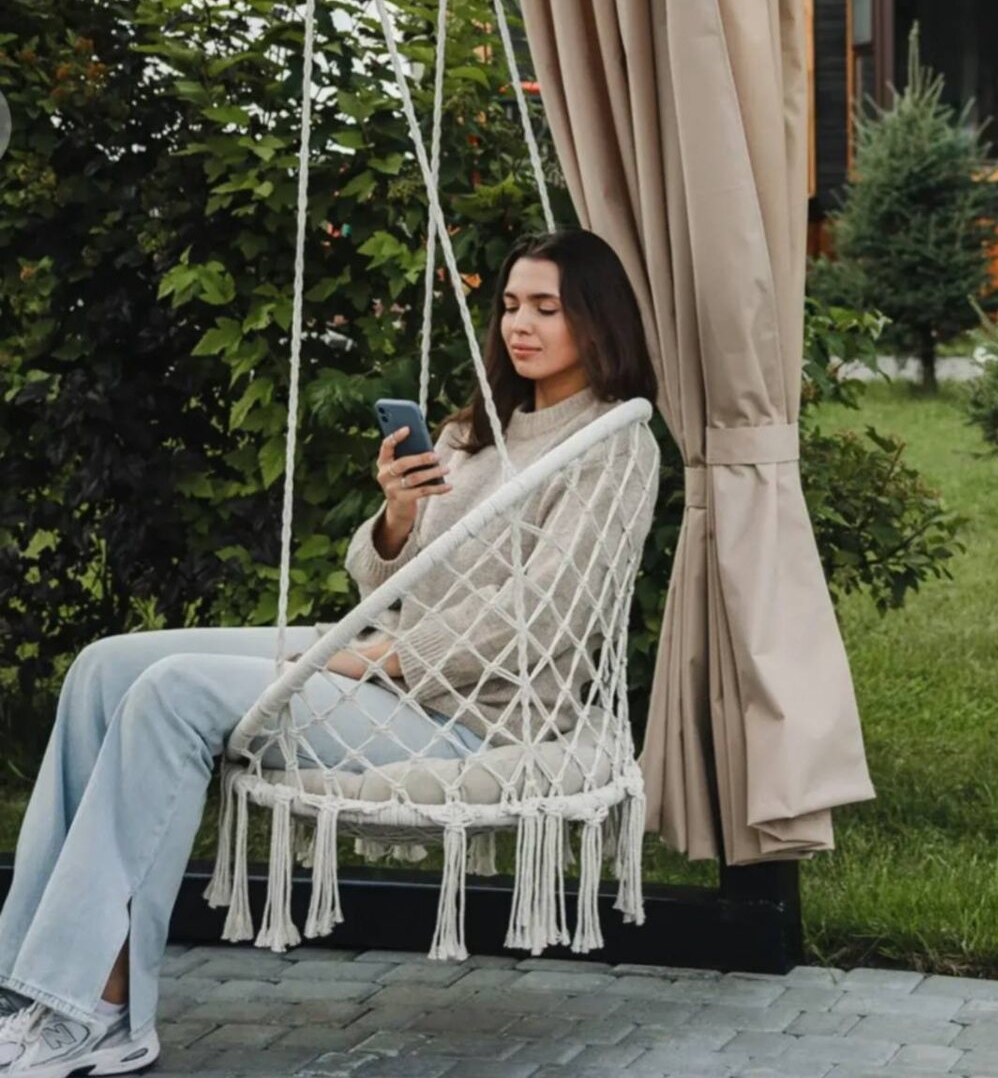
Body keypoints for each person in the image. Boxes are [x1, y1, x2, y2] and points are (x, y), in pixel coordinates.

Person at [0, 227, 659, 1076]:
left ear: (598, 320)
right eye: (508, 306)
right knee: (104, 667)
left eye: (546, 308)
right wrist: (395, 515)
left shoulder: (613, 445)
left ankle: (99, 1008)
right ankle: (30, 986)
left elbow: (543, 617)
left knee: (171, 693)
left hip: (471, 715)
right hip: (385, 665)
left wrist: (359, 662)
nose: (518, 326)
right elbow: (377, 578)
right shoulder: (472, 433)